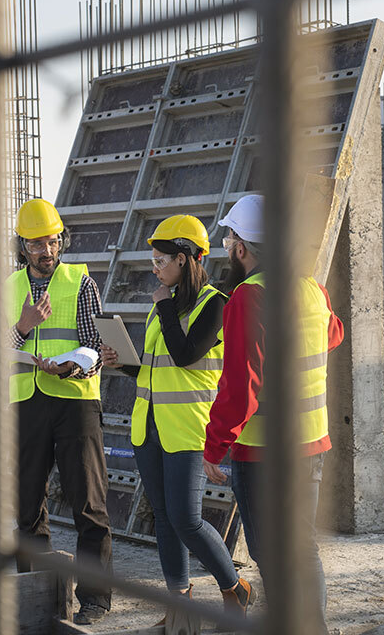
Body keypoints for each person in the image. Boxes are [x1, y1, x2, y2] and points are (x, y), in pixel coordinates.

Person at [201, 194, 344, 634]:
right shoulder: (311, 288)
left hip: (263, 453)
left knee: (271, 556)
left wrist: (214, 447)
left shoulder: (248, 297)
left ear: (241, 249)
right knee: (304, 549)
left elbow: (240, 387)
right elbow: (333, 334)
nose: (226, 245)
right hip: (311, 443)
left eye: (229, 238)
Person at [99, 215, 254, 621]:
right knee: (164, 518)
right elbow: (159, 366)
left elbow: (186, 356)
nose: (154, 268)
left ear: (184, 259)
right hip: (148, 427)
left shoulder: (215, 304)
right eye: (152, 261)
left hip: (188, 428)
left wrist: (165, 305)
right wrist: (124, 364)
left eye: (160, 260)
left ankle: (234, 588)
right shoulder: (162, 308)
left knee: (187, 519)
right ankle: (179, 603)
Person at [0, 198, 113, 626]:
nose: (47, 251)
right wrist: (22, 327)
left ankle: (94, 599)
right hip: (26, 404)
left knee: (88, 505)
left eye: (53, 241)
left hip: (74, 402)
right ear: (23, 246)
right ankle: (34, 592)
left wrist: (76, 364)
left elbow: (95, 343)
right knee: (26, 506)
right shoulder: (10, 287)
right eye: (37, 243)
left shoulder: (81, 282)